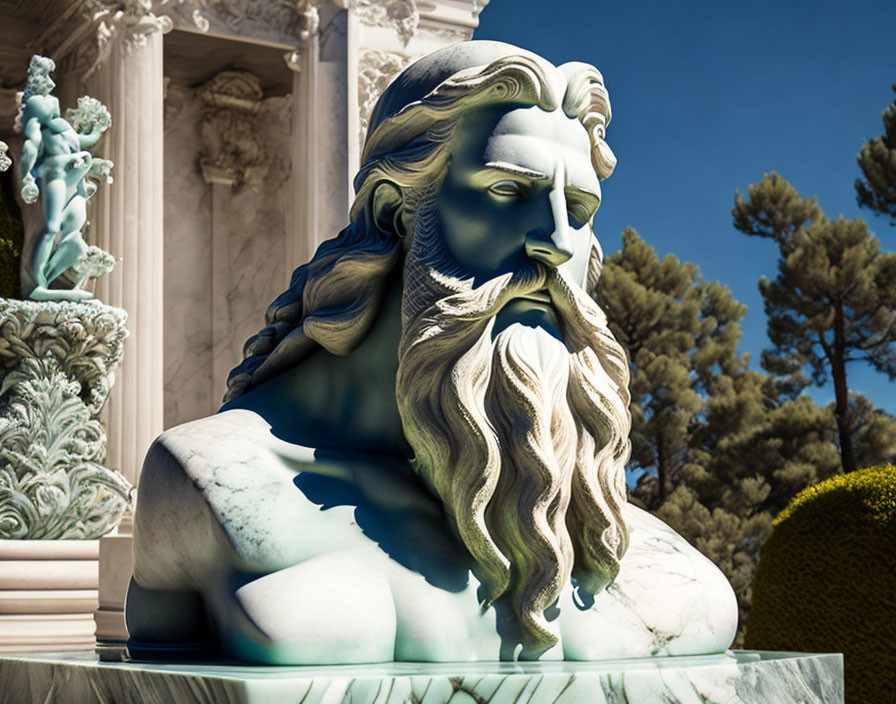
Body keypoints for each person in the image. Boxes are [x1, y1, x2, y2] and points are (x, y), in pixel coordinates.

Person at [127, 41, 737, 664]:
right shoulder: (211, 478)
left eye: (578, 209)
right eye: (508, 191)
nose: (556, 241)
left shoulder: (589, 518)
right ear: (395, 213)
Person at [17, 55, 111, 300]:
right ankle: (37, 285)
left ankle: (48, 282)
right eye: (44, 74)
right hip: (55, 174)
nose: (49, 81)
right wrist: (26, 176)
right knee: (50, 228)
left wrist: (98, 128)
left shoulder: (57, 114)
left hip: (76, 177)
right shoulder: (36, 106)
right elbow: (31, 145)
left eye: (50, 74)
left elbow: (81, 142)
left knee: (74, 237)